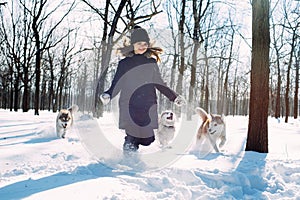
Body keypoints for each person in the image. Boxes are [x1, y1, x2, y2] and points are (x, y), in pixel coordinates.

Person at [99, 26, 185, 154]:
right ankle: (129, 152)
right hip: (129, 104)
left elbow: (159, 83)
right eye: (139, 43)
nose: (142, 46)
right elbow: (117, 82)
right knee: (132, 134)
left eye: (145, 44)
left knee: (148, 139)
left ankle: (133, 146)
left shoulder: (151, 62)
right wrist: (108, 94)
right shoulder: (125, 63)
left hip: (147, 104)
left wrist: (174, 96)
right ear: (132, 44)